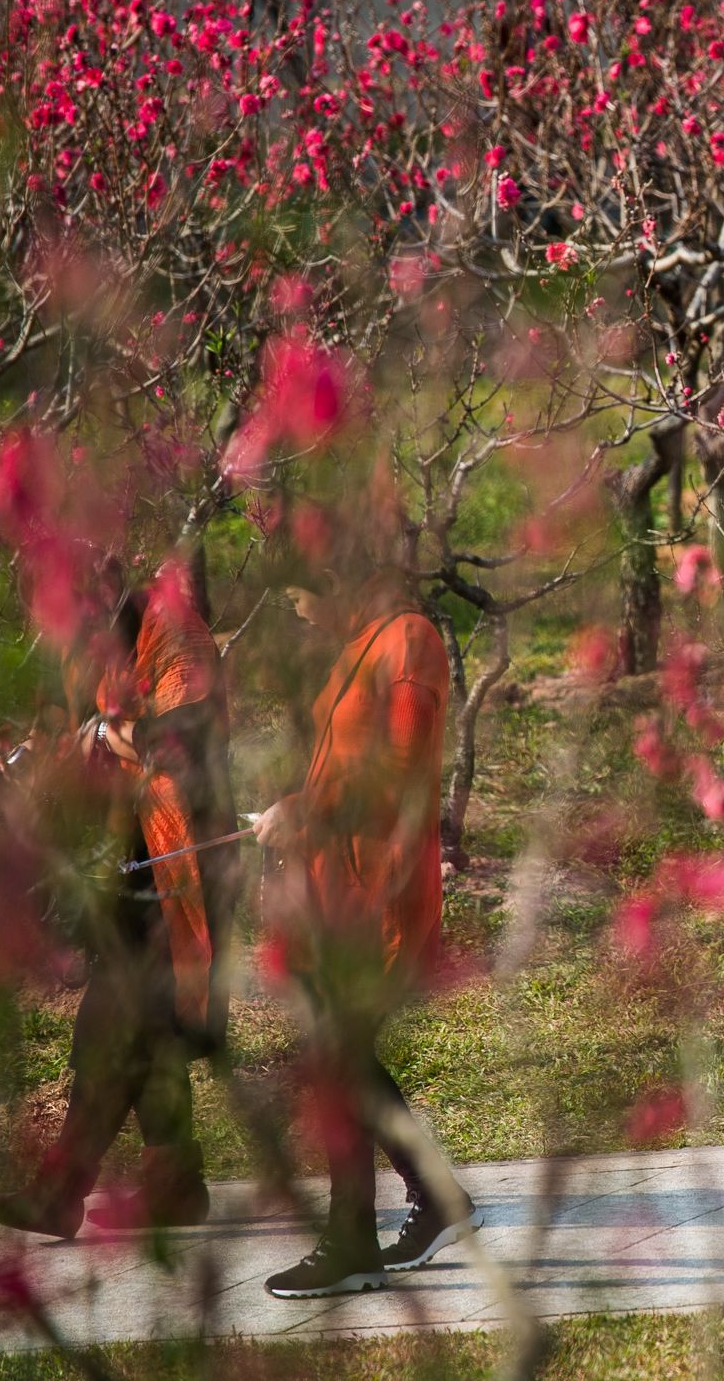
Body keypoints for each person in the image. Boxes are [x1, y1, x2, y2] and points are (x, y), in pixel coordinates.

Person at [0, 558, 237, 1239]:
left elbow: (176, 745)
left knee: (110, 1025)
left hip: (183, 864)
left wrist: (101, 736)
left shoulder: (177, 637)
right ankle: (176, 1183)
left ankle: (61, 1190)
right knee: (148, 1037)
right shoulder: (107, 649)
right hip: (130, 864)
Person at [252, 545, 476, 1297]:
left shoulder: (409, 639)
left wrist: (306, 810)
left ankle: (352, 1238)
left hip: (380, 891)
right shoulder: (355, 646)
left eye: (302, 596)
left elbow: (402, 773)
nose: (301, 611)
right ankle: (435, 1196)